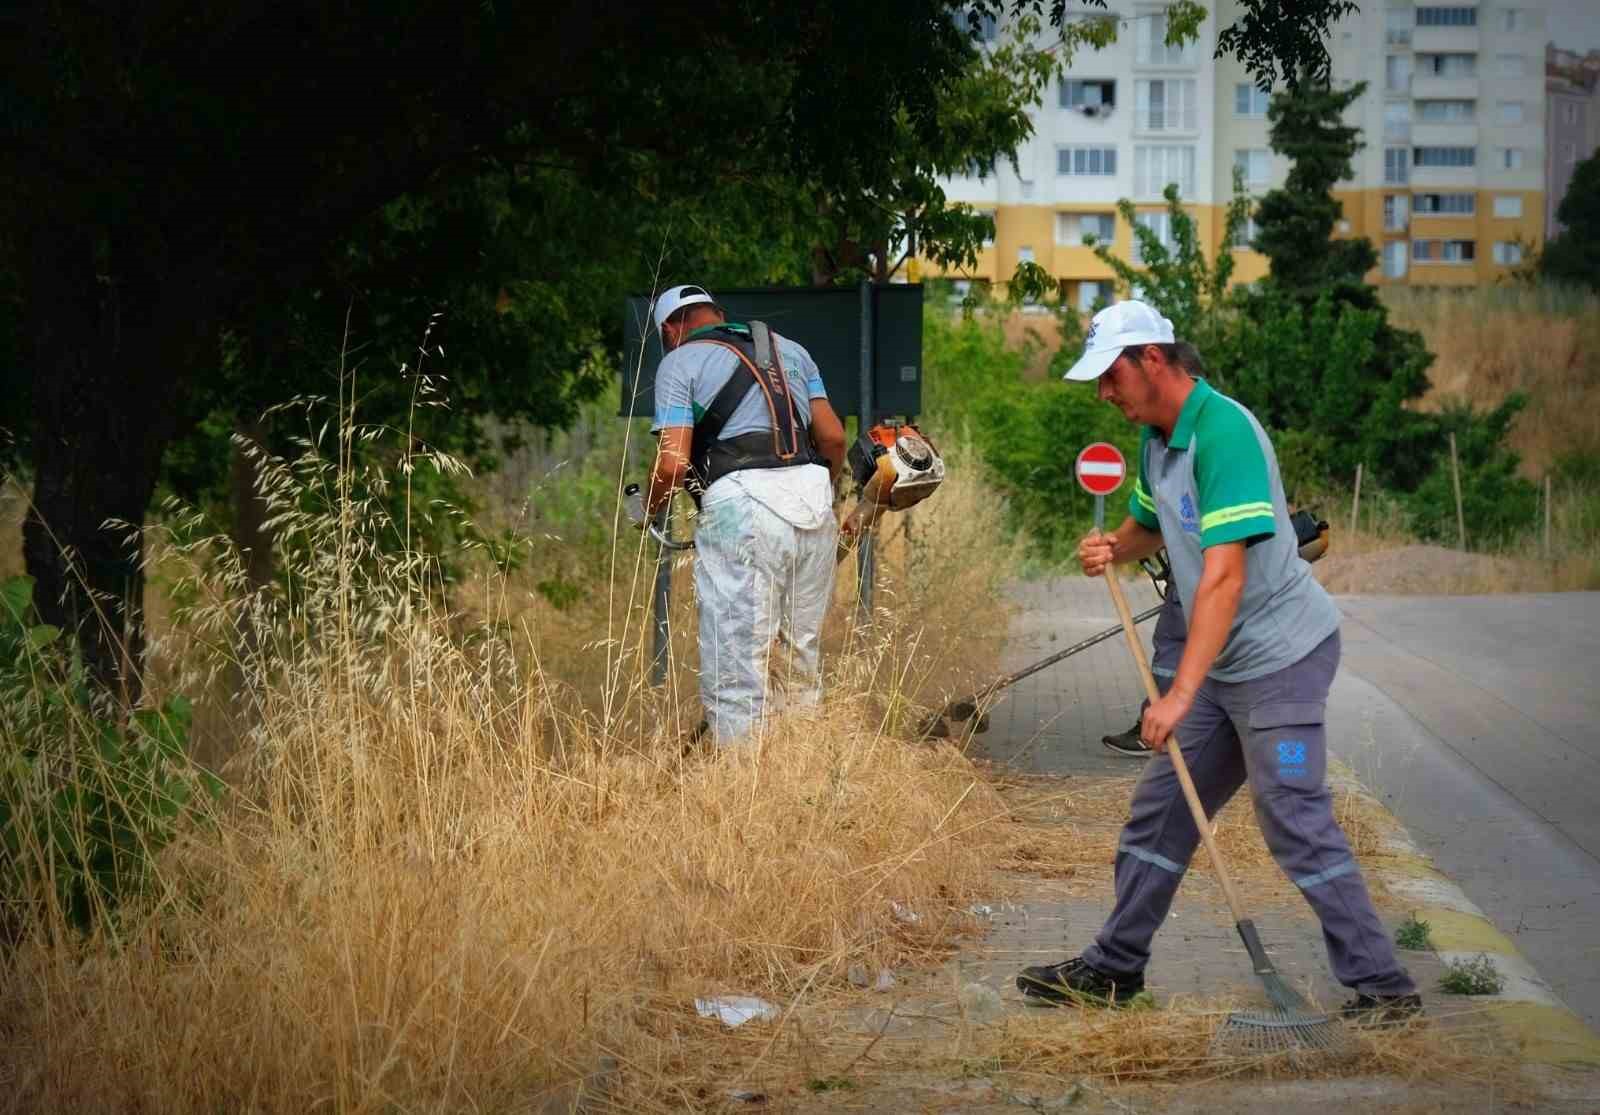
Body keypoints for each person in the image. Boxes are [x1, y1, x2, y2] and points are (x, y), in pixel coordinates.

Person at [1016, 300, 1419, 1022]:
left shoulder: (1224, 431)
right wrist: (1116, 547)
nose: (1105, 395)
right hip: (1223, 665)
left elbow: (1225, 577)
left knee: (1293, 815)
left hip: (1282, 659)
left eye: (1111, 377)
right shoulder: (1156, 438)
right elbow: (1153, 525)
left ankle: (1385, 986)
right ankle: (1114, 967)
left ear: (1153, 360)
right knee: (1160, 811)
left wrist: (1179, 694)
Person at [644, 284, 848, 746]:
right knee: (799, 658)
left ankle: (743, 793)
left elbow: (673, 462)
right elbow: (833, 439)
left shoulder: (678, 361)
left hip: (742, 506)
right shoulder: (791, 350)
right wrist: (820, 495)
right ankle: (800, 777)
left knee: (736, 664)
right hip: (814, 499)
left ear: (671, 330)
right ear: (715, 314)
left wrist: (651, 508)